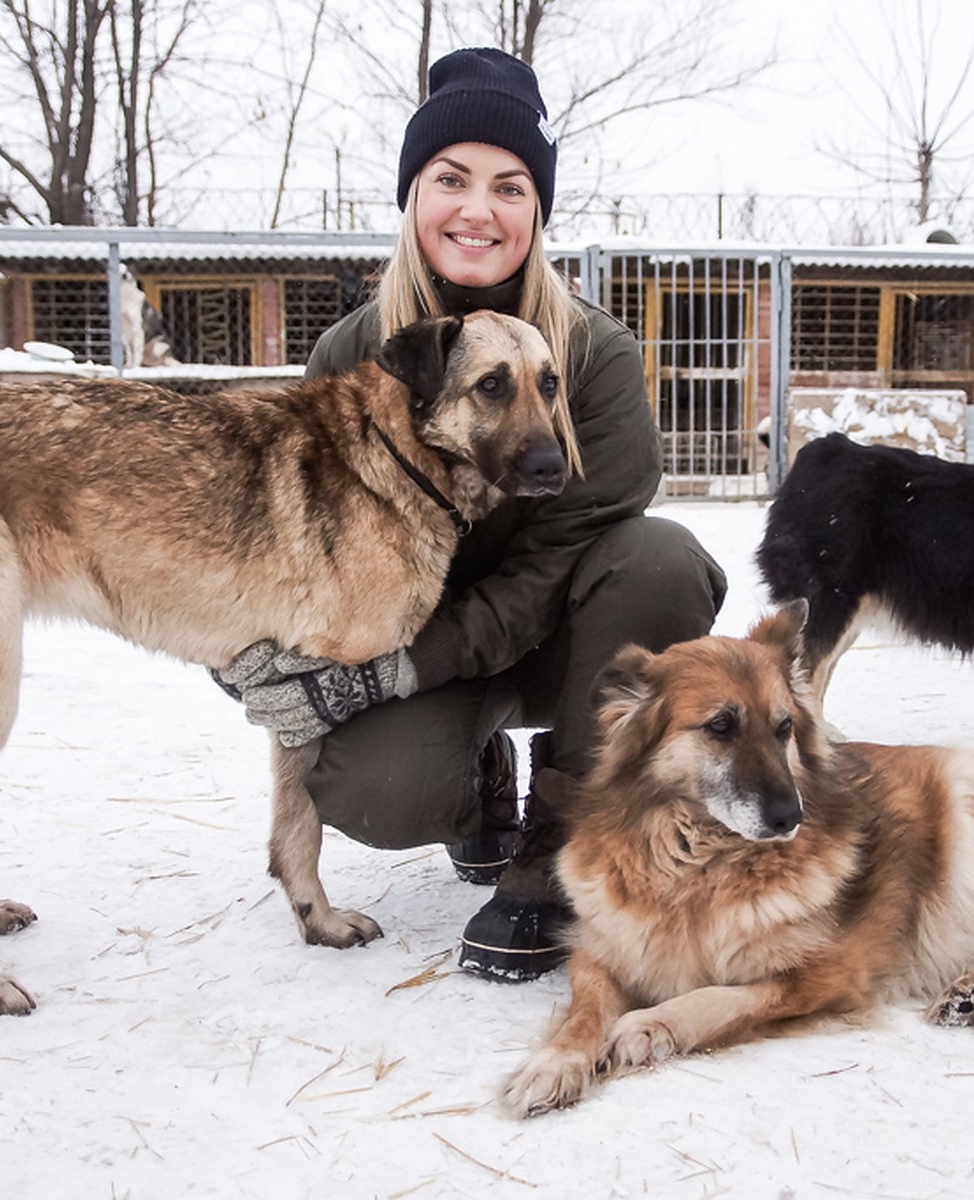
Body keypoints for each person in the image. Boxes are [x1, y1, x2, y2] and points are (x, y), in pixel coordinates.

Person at [218, 47, 727, 981]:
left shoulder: (596, 357)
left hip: (565, 641)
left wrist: (395, 673)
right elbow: (306, 542)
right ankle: (476, 777)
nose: (478, 210)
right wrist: (252, 640)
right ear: (414, 197)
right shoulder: (351, 353)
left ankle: (558, 845)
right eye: (450, 178)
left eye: (511, 187)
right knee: (380, 792)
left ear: (538, 211)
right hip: (426, 657)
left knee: (660, 559)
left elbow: (562, 558)